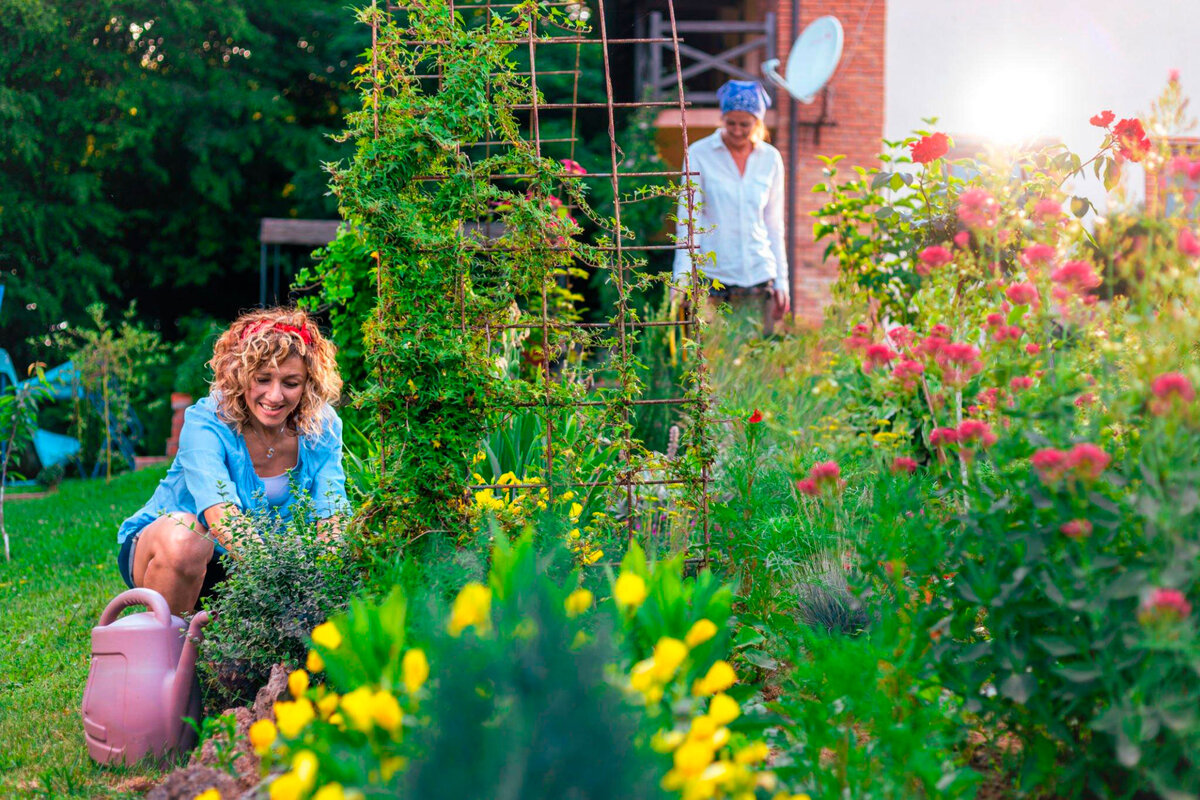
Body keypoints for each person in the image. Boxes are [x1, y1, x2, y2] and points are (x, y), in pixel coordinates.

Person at [115, 308, 348, 615]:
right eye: (263, 379)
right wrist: (283, 584)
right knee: (189, 537)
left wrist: (326, 575)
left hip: (245, 567)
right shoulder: (206, 421)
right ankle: (164, 652)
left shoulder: (322, 426)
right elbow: (221, 515)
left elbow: (332, 513)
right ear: (240, 374)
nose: (275, 396)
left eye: (291, 383)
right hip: (169, 551)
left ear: (308, 383)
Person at [673, 79, 789, 335]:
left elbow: (774, 224)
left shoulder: (771, 159)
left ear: (757, 123)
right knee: (711, 365)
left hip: (759, 277)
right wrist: (681, 278)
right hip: (711, 278)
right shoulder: (699, 154)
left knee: (757, 362)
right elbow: (687, 221)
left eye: (745, 124)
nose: (737, 130)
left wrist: (782, 281)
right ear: (722, 119)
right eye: (731, 123)